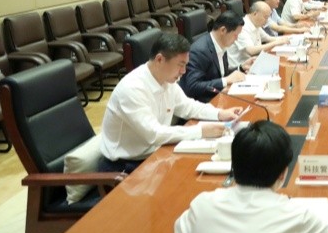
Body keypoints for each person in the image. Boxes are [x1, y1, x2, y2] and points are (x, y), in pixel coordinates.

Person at [174, 120, 328, 233]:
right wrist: (319, 226)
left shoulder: (202, 204)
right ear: (283, 174)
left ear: (233, 166)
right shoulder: (294, 217)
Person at [99, 33, 242, 173]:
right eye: (180, 65)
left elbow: (187, 106)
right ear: (160, 59)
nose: (184, 71)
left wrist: (220, 114)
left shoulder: (166, 79)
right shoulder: (132, 89)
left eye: (185, 65)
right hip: (126, 165)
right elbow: (154, 134)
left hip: (156, 152)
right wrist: (201, 131)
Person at [179, 11, 254, 103]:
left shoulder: (222, 44)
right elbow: (192, 86)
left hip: (220, 96)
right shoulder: (200, 51)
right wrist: (225, 81)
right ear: (223, 30)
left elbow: (219, 74)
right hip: (203, 102)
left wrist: (241, 68)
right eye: (235, 35)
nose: (236, 39)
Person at [227, 1, 291, 67]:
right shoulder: (242, 27)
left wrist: (289, 38)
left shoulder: (255, 24)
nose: (267, 21)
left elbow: (268, 38)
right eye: (265, 17)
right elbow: (251, 51)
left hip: (255, 61)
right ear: (255, 14)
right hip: (242, 67)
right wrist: (276, 43)